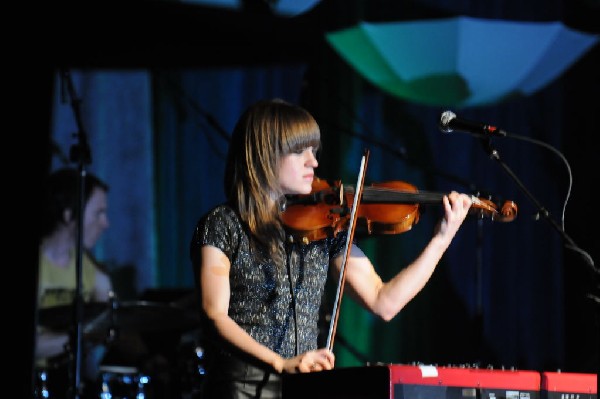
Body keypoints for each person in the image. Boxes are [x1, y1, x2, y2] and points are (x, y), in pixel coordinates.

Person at [189, 98, 473, 398]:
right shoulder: (223, 224)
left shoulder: (324, 230)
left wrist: (441, 238)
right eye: (300, 151)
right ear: (264, 154)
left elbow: (384, 302)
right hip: (241, 388)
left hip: (303, 386)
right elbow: (214, 314)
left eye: (313, 151)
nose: (313, 162)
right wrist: (280, 363)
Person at [36, 167, 113, 397]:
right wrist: (81, 336)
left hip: (68, 382)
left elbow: (114, 321)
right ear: (69, 215)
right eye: (98, 213)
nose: (105, 223)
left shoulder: (93, 272)